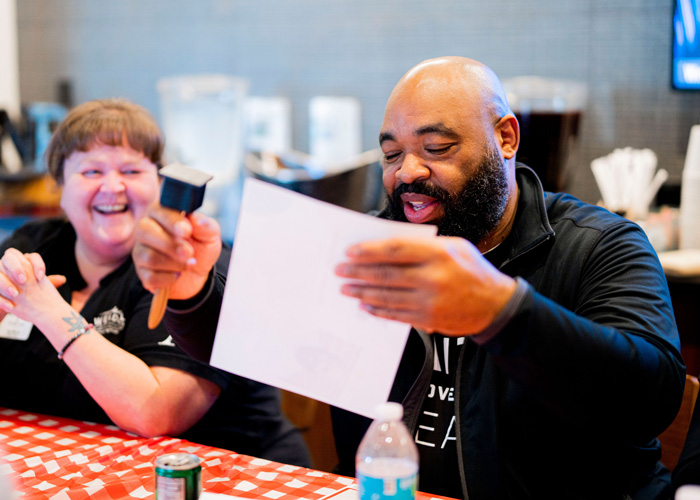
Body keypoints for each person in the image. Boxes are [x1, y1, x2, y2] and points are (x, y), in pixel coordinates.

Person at [132, 57, 685, 499]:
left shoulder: (600, 244)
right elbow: (242, 341)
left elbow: (649, 399)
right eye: (391, 154)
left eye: (436, 148)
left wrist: (501, 312)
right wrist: (192, 287)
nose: (409, 173)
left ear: (506, 139)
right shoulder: (369, 244)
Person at [0, 98, 310, 467]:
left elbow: (156, 413)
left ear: (159, 183)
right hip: (74, 471)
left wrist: (48, 311)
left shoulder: (188, 265)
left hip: (231, 478)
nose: (112, 186)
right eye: (90, 172)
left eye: (131, 171)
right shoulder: (35, 245)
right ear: (60, 189)